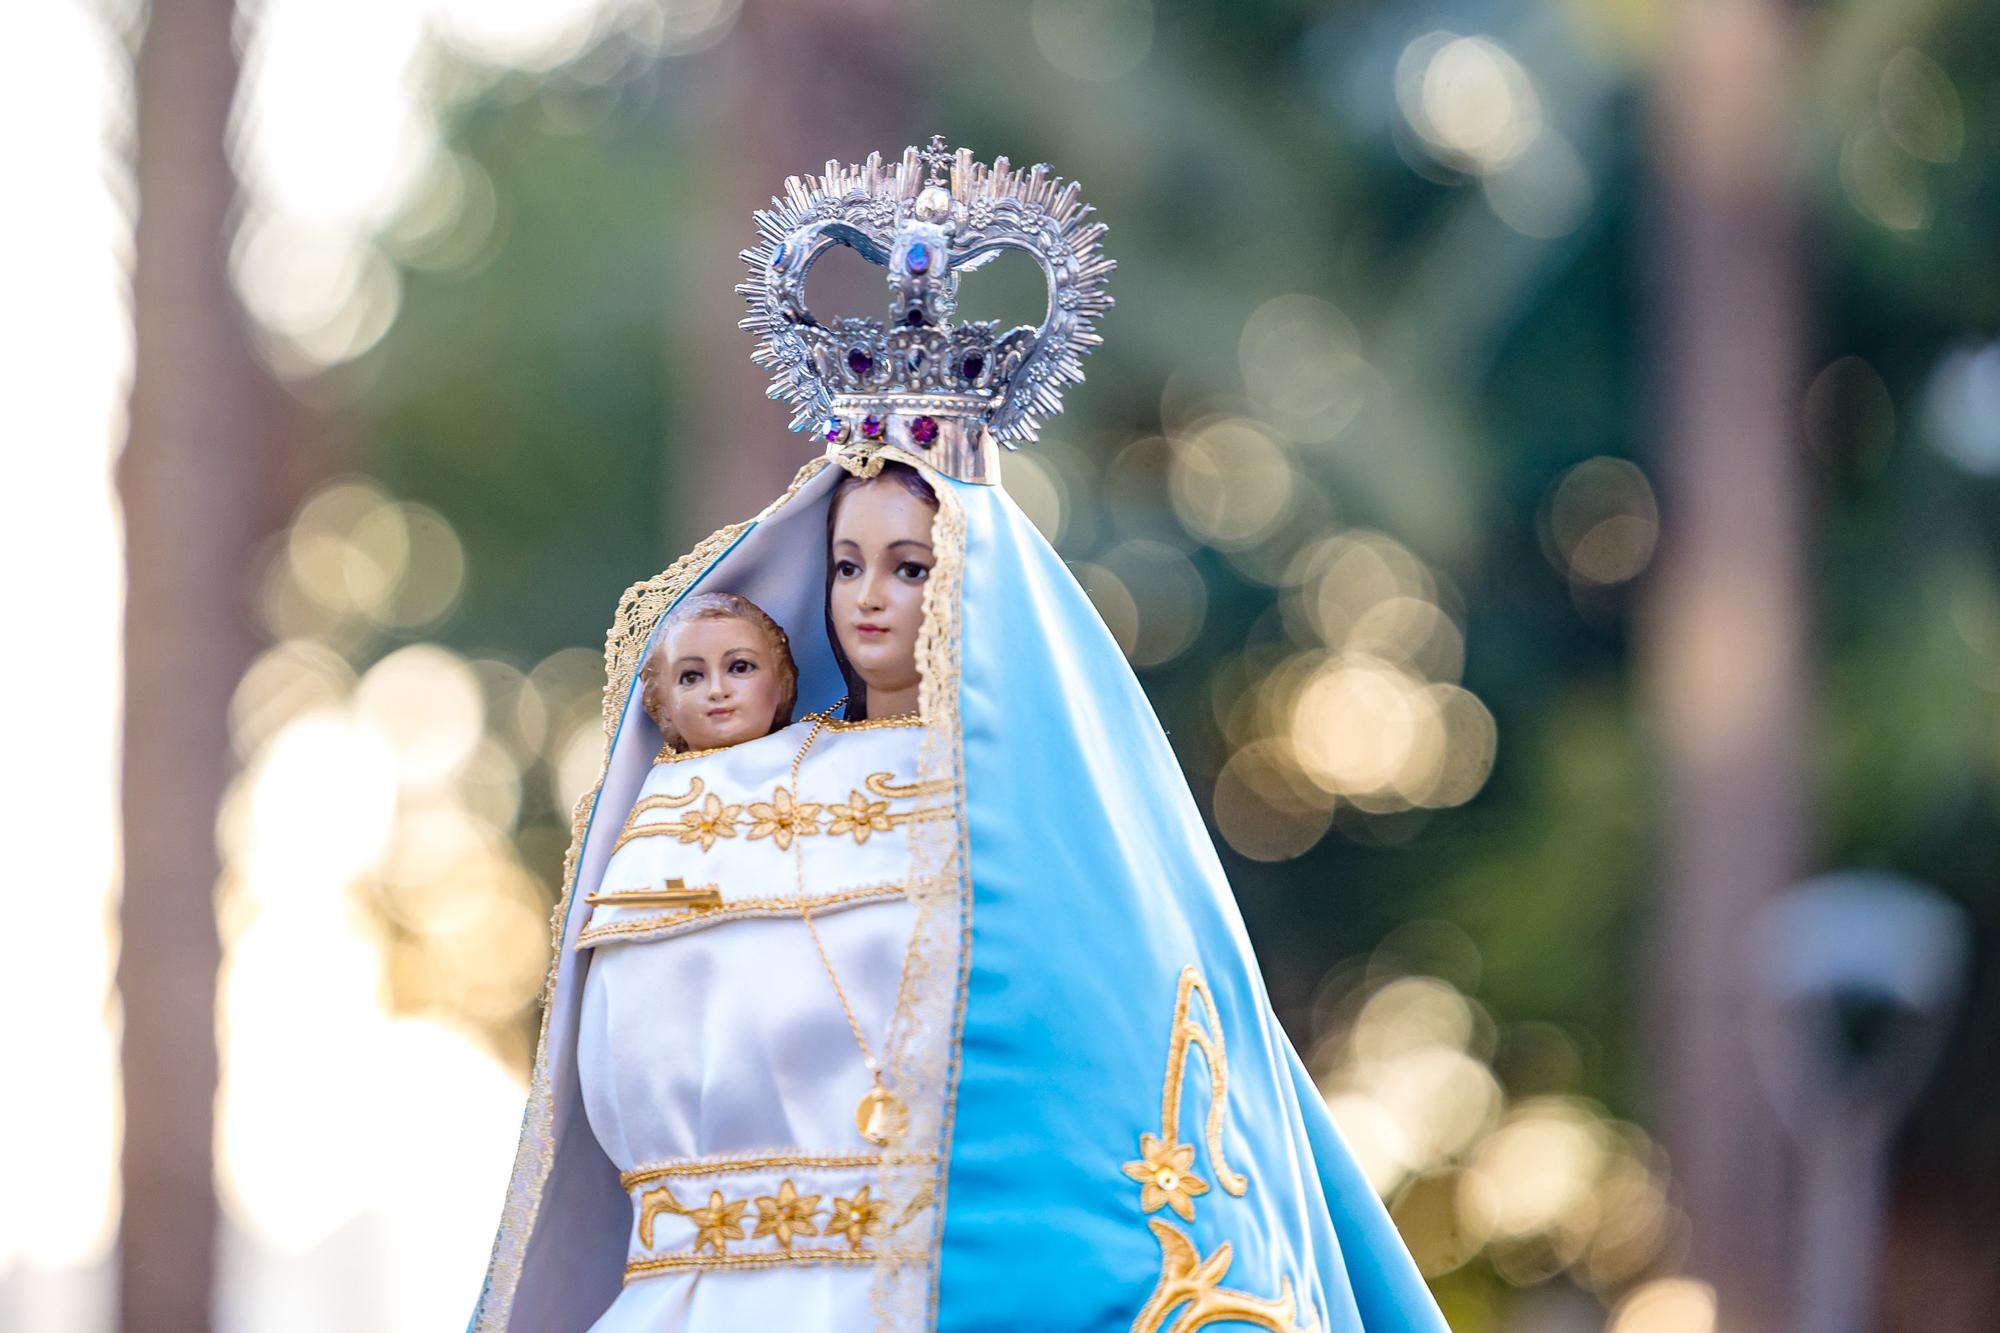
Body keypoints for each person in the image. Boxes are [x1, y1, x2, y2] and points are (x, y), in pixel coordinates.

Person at [471, 140, 1449, 1333]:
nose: (870, 597)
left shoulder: (1047, 824)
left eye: (909, 565)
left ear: (970, 579)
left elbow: (1112, 1090)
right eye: (844, 566)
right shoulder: (708, 796)